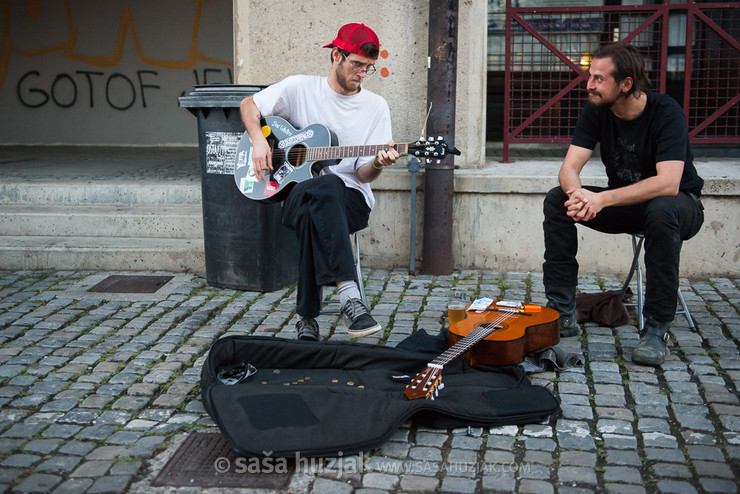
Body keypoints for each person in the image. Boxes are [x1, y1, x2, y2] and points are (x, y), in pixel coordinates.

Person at [542, 42, 704, 366]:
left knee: (661, 209)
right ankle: (561, 312)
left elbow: (668, 183)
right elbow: (569, 168)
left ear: (626, 84)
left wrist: (600, 199)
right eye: (590, 77)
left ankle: (656, 331)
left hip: (679, 205)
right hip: (625, 205)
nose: (589, 85)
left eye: (599, 79)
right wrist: (578, 198)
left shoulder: (665, 112)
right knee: (557, 200)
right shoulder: (597, 110)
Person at [239, 23, 400, 342]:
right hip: (295, 195)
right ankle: (349, 297)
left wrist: (379, 163)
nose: (362, 74)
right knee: (322, 191)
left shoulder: (375, 107)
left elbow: (363, 175)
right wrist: (258, 139)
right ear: (336, 56)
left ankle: (306, 318)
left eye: (368, 68)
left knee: (328, 191)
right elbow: (248, 105)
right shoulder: (300, 88)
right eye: (356, 64)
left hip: (351, 202)